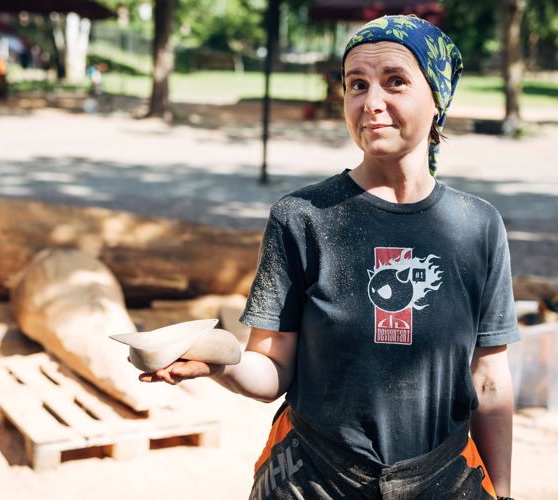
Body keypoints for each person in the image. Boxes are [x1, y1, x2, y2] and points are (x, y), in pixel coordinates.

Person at [140, 14, 519, 500]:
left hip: (442, 479)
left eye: (396, 82)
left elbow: (488, 380)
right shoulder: (302, 218)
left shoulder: (477, 227)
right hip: (315, 478)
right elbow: (272, 368)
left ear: (437, 98)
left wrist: (503, 490)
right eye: (356, 84)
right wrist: (219, 363)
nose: (372, 103)